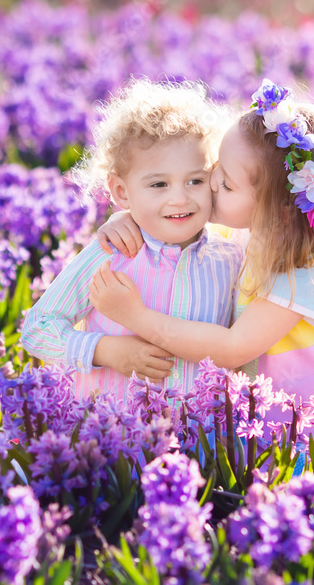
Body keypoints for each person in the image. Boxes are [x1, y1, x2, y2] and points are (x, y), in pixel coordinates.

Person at [89, 79, 314, 471]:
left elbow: (232, 349)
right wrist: (127, 216)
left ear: (277, 211)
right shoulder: (248, 229)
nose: (210, 183)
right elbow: (175, 219)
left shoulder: (310, 268)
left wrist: (136, 317)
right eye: (216, 167)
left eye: (226, 183)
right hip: (270, 426)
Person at [19, 78, 244, 402]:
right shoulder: (112, 253)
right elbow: (38, 327)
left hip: (201, 440)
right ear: (122, 192)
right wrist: (107, 351)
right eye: (158, 185)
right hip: (112, 435)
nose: (180, 199)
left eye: (195, 180)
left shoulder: (230, 257)